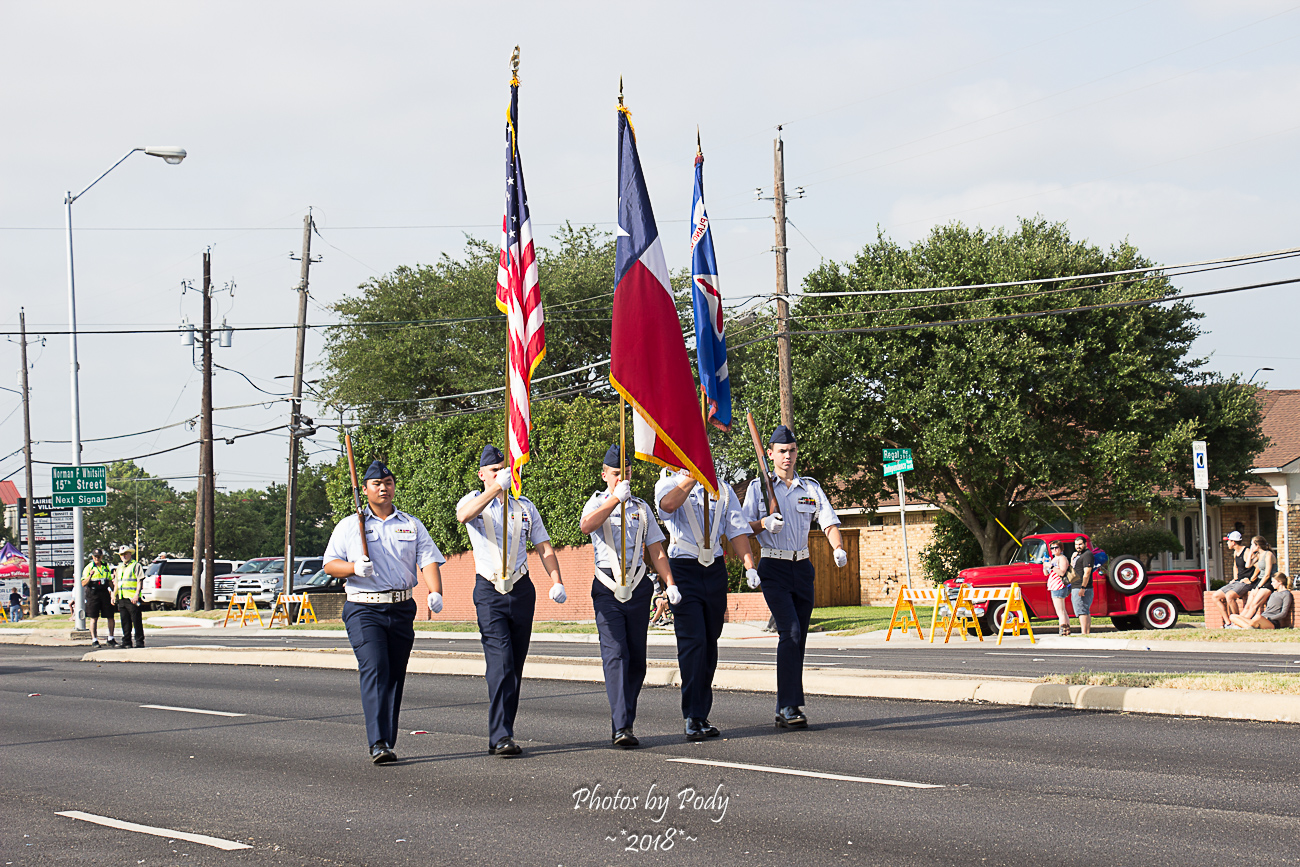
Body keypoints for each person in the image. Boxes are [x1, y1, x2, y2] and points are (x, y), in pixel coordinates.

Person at [323, 460, 445, 764]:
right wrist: (353, 568)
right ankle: (377, 741)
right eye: (376, 483)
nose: (383, 487)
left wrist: (435, 590)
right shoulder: (352, 525)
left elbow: (427, 558)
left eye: (388, 482)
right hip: (364, 608)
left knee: (394, 675)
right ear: (364, 489)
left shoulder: (411, 523)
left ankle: (387, 740)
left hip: (401, 607)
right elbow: (329, 564)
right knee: (375, 668)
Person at [455, 444, 567, 757]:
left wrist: (556, 580)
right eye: (495, 471)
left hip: (520, 589)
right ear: (482, 474)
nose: (503, 474)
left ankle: (504, 731)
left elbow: (543, 547)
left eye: (506, 470)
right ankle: (500, 734)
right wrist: (495, 490)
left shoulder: (525, 507)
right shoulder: (475, 502)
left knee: (515, 666)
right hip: (490, 590)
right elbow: (464, 515)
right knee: (501, 662)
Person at [741, 424, 847, 730]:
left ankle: (783, 705)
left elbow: (828, 521)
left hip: (802, 567)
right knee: (790, 632)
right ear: (770, 454)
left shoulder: (810, 488)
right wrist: (763, 523)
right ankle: (789, 706)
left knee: (798, 638)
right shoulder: (758, 488)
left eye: (792, 450)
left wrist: (838, 548)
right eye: (782, 451)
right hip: (773, 567)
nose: (788, 456)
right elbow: (742, 528)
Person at [579, 443, 678, 748]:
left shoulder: (641, 508)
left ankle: (624, 720)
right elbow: (587, 526)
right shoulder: (596, 502)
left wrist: (670, 582)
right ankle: (623, 726)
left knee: (637, 662)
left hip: (637, 587)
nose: (623, 478)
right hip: (608, 587)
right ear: (605, 474)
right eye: (617, 472)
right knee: (616, 655)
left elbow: (656, 549)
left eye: (627, 472)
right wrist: (613, 501)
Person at [655, 461, 759, 741]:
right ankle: (693, 715)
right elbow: (666, 506)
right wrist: (691, 478)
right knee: (693, 642)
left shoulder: (723, 490)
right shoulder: (668, 481)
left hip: (713, 569)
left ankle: (702, 712)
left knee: (710, 640)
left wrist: (749, 565)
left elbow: (736, 530)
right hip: (684, 567)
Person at [1208, 531, 1253, 624]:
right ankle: (1228, 622)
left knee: (1229, 596)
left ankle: (1237, 622)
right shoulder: (1235, 553)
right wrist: (1235, 578)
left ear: (1234, 542)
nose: (1227, 543)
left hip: (1246, 582)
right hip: (1238, 581)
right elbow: (1235, 566)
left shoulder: (1246, 552)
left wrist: (1251, 579)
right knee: (1215, 596)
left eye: (1228, 541)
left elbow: (1257, 567)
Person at [81, 548, 117, 647]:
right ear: (92, 557)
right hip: (93, 593)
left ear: (102, 557)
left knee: (110, 615)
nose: (97, 558)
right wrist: (90, 576)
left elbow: (109, 580)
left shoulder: (105, 566)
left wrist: (114, 592)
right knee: (94, 617)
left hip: (104, 592)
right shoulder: (89, 567)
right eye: (95, 556)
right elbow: (83, 583)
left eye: (99, 556)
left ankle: (111, 638)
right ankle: (94, 639)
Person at [1228, 573, 1292, 630]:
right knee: (1233, 616)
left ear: (1280, 582)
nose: (1271, 583)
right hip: (1261, 619)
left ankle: (1245, 627)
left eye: (1273, 581)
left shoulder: (1286, 594)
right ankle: (1249, 628)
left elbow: (1283, 613)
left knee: (1257, 617)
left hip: (1272, 622)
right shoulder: (1274, 593)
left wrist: (1268, 618)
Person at [114, 544, 146, 648]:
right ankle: (126, 641)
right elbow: (117, 583)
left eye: (125, 554)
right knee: (125, 621)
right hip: (122, 597)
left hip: (132, 597)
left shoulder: (136, 565)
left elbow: (139, 581)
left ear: (130, 554)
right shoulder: (119, 567)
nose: (124, 556)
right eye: (122, 554)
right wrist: (114, 595)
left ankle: (139, 641)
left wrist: (137, 594)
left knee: (136, 620)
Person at [1239, 536, 1278, 621]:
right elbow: (1247, 565)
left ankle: (1243, 623)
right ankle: (1237, 622)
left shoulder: (1268, 554)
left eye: (1252, 544)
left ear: (1257, 545)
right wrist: (1250, 553)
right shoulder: (1259, 555)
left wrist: (1258, 587)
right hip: (1260, 581)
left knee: (1254, 605)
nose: (1251, 546)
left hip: (1267, 582)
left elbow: (1267, 574)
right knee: (1247, 605)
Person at [1045, 540, 1072, 636]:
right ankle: (1067, 630)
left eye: (1056, 547)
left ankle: (1063, 629)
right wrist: (1045, 566)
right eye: (1052, 548)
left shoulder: (1062, 558)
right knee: (1062, 610)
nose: (1054, 550)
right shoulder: (1053, 559)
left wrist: (1051, 566)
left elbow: (1062, 572)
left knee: (1060, 611)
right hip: (1053, 586)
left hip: (1059, 585)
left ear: (1061, 548)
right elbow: (1046, 573)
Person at [1068, 536, 1094, 636]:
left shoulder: (1087, 555)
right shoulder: (1078, 555)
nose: (1078, 546)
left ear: (1085, 544)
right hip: (1076, 585)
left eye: (1080, 544)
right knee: (1083, 610)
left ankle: (1084, 633)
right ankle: (1086, 633)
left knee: (1082, 610)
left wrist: (1083, 587)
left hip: (1082, 587)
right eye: (1076, 544)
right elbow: (1073, 569)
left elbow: (1087, 573)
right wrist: (1072, 558)